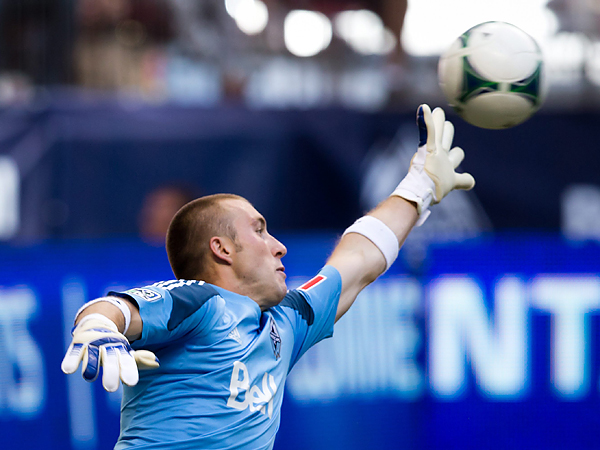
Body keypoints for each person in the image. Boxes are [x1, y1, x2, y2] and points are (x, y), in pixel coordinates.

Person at [61, 104, 475, 449]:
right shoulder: (201, 303)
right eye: (259, 230)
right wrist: (99, 326)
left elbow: (358, 261)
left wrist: (419, 187)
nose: (279, 246)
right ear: (222, 249)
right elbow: (116, 309)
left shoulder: (285, 323)